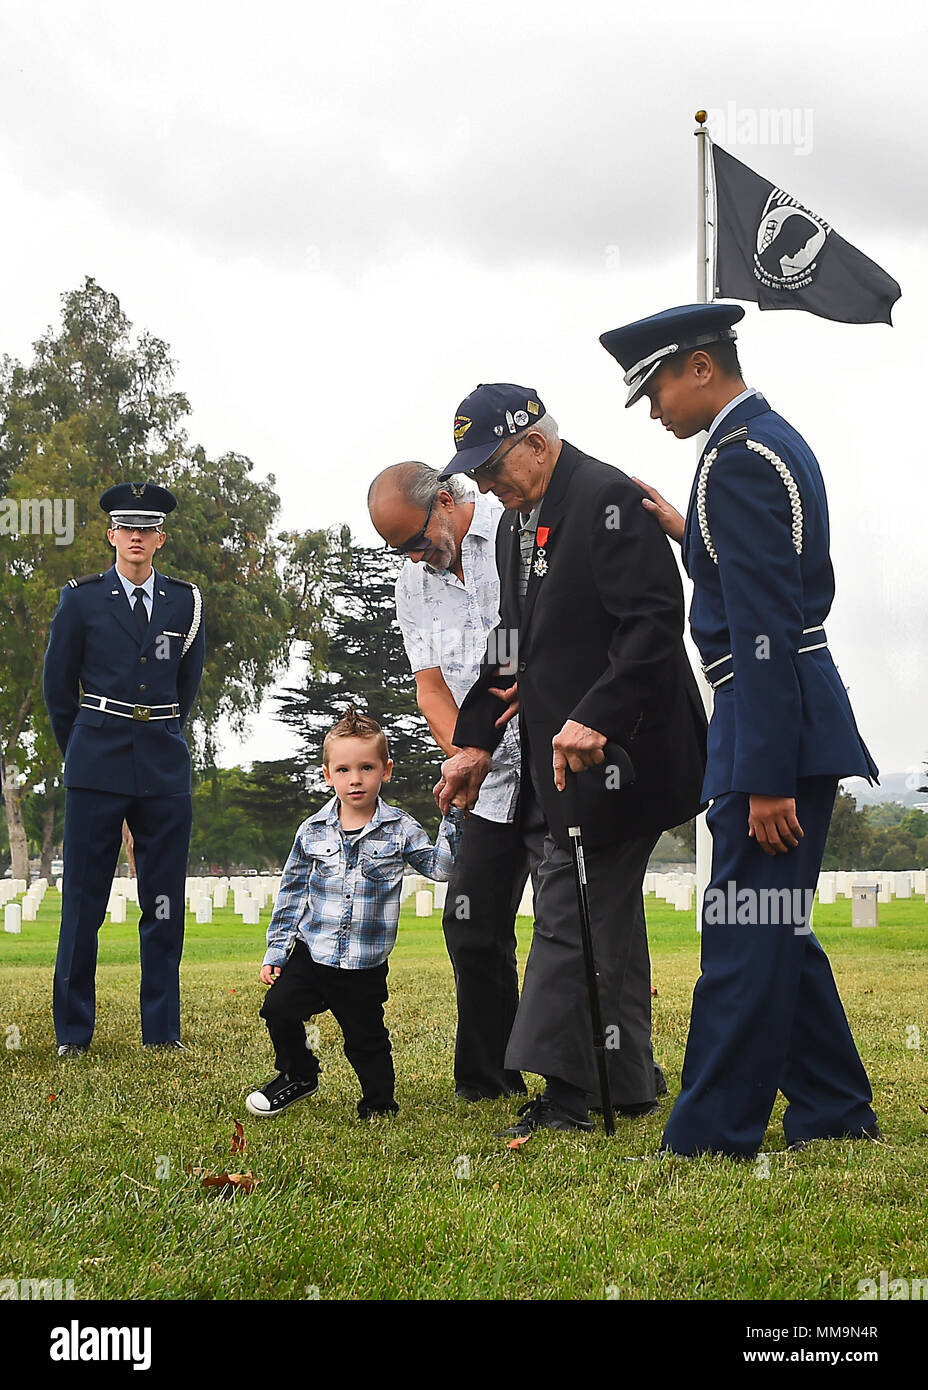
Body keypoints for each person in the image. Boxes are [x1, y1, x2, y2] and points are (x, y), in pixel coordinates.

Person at [599, 301, 880, 1157]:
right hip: (779, 714)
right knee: (772, 929)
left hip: (771, 724)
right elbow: (761, 576)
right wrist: (694, 539)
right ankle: (834, 1110)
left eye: (655, 389)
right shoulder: (757, 444)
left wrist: (763, 776)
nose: (653, 409)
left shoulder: (740, 461)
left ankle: (713, 1135)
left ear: (699, 367)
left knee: (742, 938)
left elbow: (763, 627)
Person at [434, 383, 707, 1136]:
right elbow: (513, 646)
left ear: (535, 443)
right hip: (564, 757)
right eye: (476, 475)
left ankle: (566, 1095)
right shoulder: (523, 521)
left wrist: (595, 717)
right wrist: (474, 743)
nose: (483, 486)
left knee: (567, 902)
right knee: (601, 912)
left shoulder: (605, 498)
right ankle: (626, 1080)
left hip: (624, 753)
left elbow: (652, 626)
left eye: (491, 467)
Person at [367, 461, 526, 1103]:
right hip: (482, 775)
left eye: (415, 538)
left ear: (443, 500)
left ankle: (609, 1071)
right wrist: (467, 753)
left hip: (553, 757)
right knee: (471, 921)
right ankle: (491, 1079)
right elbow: (429, 685)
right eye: (397, 549)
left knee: (581, 920)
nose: (413, 556)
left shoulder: (513, 532)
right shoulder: (414, 584)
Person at [42, 482, 205, 1055]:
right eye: (126, 527)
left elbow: (187, 688)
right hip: (96, 761)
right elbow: (58, 688)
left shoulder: (186, 603)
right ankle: (73, 1034)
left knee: (163, 902)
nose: (136, 537)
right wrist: (83, 748)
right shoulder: (82, 600)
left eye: (148, 528)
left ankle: (162, 1032)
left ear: (160, 537)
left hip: (162, 764)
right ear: (111, 535)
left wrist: (157, 731)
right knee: (83, 902)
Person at [246, 708, 464, 1119]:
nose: (355, 779)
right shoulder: (312, 830)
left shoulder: (400, 828)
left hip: (363, 964)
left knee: (365, 1038)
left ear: (386, 770)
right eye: (343, 769)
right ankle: (299, 1074)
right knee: (278, 1009)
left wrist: (452, 818)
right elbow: (292, 892)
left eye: (366, 767)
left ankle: (379, 1104)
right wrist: (276, 951)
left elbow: (441, 869)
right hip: (314, 954)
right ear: (327, 774)